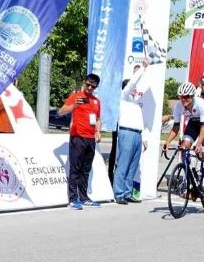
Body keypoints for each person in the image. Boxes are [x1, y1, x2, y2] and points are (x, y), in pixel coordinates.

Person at [163, 82, 204, 201]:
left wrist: (199, 143)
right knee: (184, 148)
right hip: (193, 123)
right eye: (181, 97)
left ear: (193, 96)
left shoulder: (201, 104)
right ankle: (192, 179)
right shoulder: (178, 106)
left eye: (187, 97)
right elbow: (176, 127)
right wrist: (167, 142)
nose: (184, 99)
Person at [58, 74, 103, 210]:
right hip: (77, 137)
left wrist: (98, 131)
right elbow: (60, 112)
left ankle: (84, 198)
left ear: (96, 87)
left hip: (90, 139)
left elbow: (98, 119)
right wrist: (74, 106)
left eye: (92, 86)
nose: (89, 88)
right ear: (84, 82)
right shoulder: (76, 97)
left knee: (86, 170)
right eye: (88, 84)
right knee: (75, 169)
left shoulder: (96, 101)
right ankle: (73, 199)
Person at [113, 58, 150, 204]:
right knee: (123, 164)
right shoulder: (123, 98)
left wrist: (144, 138)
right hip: (126, 133)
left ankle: (127, 193)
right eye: (132, 88)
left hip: (137, 134)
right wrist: (143, 68)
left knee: (133, 166)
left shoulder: (135, 104)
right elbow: (132, 82)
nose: (135, 90)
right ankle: (119, 193)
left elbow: (142, 122)